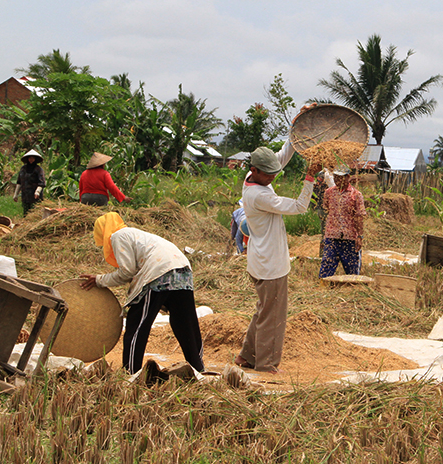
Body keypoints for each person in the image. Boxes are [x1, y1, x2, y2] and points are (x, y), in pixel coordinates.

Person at [79, 212, 204, 376]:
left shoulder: (117, 236)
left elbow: (127, 271)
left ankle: (130, 373)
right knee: (185, 323)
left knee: (137, 323)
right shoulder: (138, 234)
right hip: (182, 270)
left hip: (158, 272)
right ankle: (198, 369)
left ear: (103, 231)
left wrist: (99, 280)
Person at [234, 142, 321, 373]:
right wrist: (310, 176)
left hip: (260, 259)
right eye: (269, 174)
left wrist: (296, 131)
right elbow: (301, 206)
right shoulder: (259, 195)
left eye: (275, 173)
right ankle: (266, 363)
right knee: (273, 317)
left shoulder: (254, 177)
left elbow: (281, 157)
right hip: (270, 263)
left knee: (264, 310)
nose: (273, 177)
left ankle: (246, 356)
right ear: (255, 170)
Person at [319, 164, 366, 278]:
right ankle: (324, 290)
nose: (338, 180)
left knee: (352, 271)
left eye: (341, 177)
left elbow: (359, 216)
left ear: (348, 177)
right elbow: (326, 212)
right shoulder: (329, 193)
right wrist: (324, 236)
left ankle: (352, 291)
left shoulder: (356, 195)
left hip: (349, 238)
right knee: (326, 268)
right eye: (336, 177)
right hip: (332, 236)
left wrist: (359, 237)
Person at [13, 149, 46, 216]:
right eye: (30, 158)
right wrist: (15, 194)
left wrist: (37, 192)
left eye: (33, 158)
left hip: (35, 196)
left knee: (35, 213)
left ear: (35, 159)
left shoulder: (38, 169)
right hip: (25, 196)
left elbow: (42, 183)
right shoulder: (23, 169)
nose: (31, 160)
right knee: (26, 213)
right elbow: (19, 182)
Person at [311, 169, 336, 256]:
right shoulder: (325, 175)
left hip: (323, 208)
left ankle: (325, 254)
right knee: (326, 232)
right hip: (325, 208)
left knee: (325, 232)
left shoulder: (324, 174)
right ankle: (325, 255)